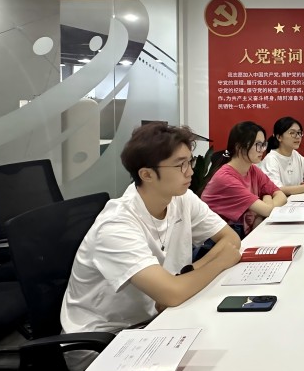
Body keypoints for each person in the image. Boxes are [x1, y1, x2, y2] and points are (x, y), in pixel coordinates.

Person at [60, 122, 243, 339]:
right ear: (147, 174)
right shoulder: (116, 226)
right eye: (180, 165)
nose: (190, 172)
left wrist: (186, 276)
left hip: (158, 319)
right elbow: (173, 293)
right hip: (106, 339)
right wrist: (220, 262)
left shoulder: (182, 198)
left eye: (190, 161)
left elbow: (230, 239)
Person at [201, 121, 287, 236]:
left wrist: (266, 202)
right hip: (216, 241)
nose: (262, 149)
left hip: (239, 235)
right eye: (258, 145)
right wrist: (267, 197)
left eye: (263, 144)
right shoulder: (226, 179)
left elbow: (280, 195)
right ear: (239, 147)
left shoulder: (253, 170)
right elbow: (267, 210)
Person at [260, 116, 304, 195]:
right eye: (292, 133)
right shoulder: (271, 159)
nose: (297, 136)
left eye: (299, 133)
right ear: (279, 137)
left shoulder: (295, 154)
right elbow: (277, 190)